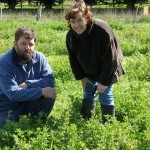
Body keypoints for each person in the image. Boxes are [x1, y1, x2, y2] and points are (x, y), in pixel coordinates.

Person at [65, 0, 124, 123]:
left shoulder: (102, 30)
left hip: (108, 66)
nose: (76, 25)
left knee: (105, 94)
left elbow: (111, 59)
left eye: (80, 20)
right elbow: (73, 59)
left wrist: (103, 82)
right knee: (88, 92)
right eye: (73, 22)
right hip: (89, 66)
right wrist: (82, 77)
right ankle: (86, 121)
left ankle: (108, 126)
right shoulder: (71, 36)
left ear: (87, 18)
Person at [0, 26, 56, 128]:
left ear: (35, 44)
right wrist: (40, 91)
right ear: (15, 43)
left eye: (31, 44)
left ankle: (36, 126)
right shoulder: (4, 62)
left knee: (49, 96)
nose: (27, 48)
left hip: (29, 100)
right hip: (7, 104)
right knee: (8, 131)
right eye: (23, 44)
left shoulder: (40, 58)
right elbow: (12, 94)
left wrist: (28, 84)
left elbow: (50, 81)